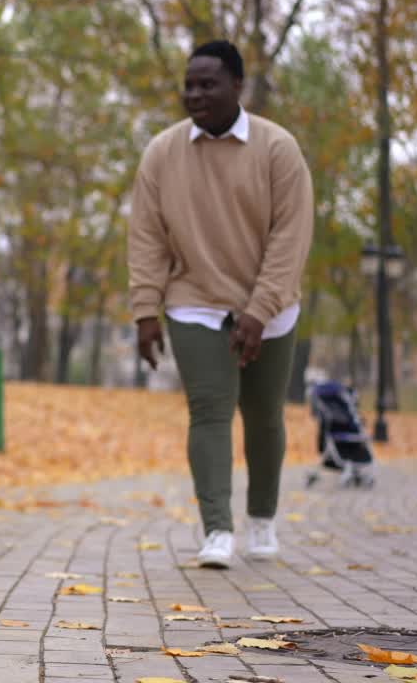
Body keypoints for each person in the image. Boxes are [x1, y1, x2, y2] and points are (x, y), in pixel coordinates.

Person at [128, 40, 313, 569]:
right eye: (189, 84)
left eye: (207, 84)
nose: (195, 94)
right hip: (195, 301)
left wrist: (259, 310)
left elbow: (290, 239)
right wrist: (145, 311)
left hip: (271, 306)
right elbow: (146, 238)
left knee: (262, 416)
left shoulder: (278, 150)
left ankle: (261, 520)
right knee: (209, 411)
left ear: (238, 86)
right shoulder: (163, 153)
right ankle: (217, 529)